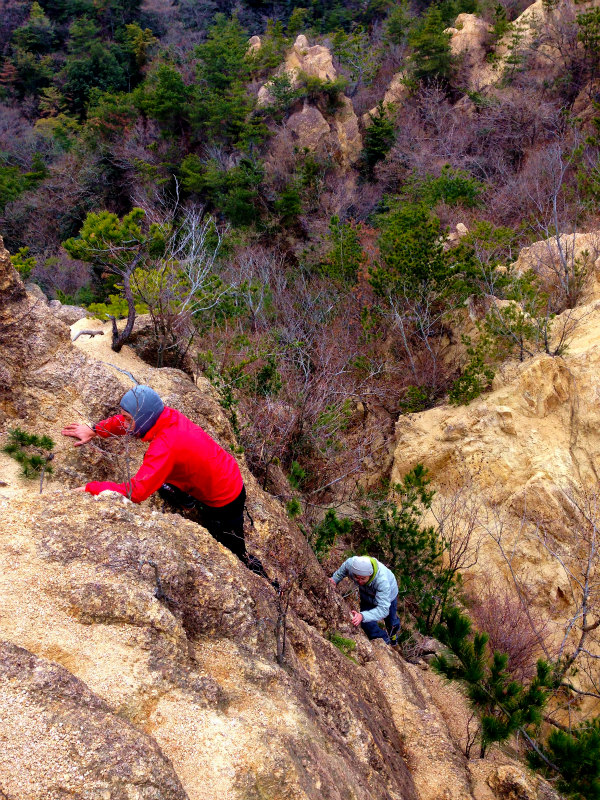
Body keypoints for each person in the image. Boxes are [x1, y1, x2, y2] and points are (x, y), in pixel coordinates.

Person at [62, 384, 269, 579]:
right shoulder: (163, 416)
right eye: (124, 418)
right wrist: (95, 429)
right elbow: (129, 419)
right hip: (221, 473)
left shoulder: (164, 446)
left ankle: (269, 584)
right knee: (163, 482)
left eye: (127, 419)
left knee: (235, 553)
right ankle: (187, 500)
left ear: (143, 418)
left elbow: (137, 492)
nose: (123, 423)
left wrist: (92, 488)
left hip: (225, 498)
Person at [329, 555, 400, 645]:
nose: (359, 581)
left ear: (370, 575)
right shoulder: (351, 565)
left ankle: (393, 634)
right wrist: (334, 580)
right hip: (367, 595)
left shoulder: (382, 581)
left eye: (363, 578)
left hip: (389, 597)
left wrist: (362, 615)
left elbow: (383, 610)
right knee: (366, 623)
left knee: (391, 621)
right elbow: (344, 568)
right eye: (356, 577)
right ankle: (383, 639)